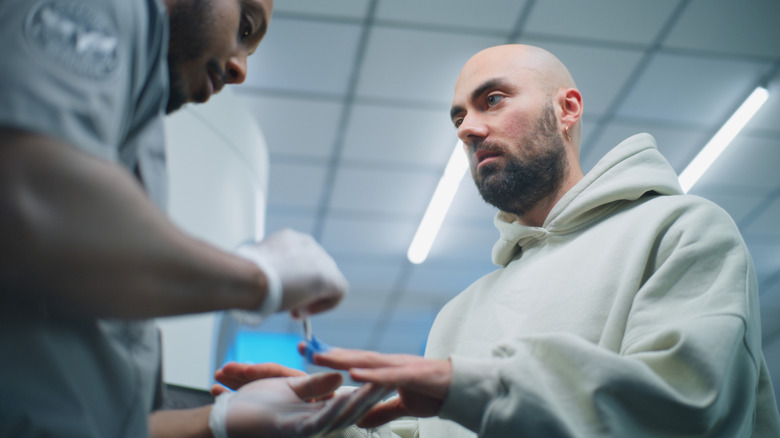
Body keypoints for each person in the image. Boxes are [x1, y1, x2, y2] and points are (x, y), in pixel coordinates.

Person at [215, 44, 780, 437]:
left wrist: (465, 382)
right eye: (458, 116)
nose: (466, 128)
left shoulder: (681, 230)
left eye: (493, 100)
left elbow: (683, 409)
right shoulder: (461, 312)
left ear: (567, 109)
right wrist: (324, 422)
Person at [0, 0, 380, 436]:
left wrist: (217, 421)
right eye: (245, 26)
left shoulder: (141, 131)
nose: (240, 69)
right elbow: (34, 199)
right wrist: (259, 279)